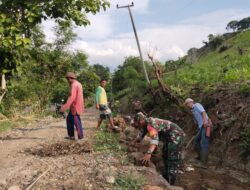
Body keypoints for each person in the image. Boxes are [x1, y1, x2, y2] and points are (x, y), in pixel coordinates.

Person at [131, 112, 185, 185]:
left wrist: (148, 153)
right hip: (169, 137)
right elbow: (140, 135)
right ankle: (166, 175)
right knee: (165, 154)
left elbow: (154, 140)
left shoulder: (150, 125)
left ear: (140, 121)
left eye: (137, 124)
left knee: (172, 158)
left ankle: (171, 183)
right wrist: (133, 143)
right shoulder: (145, 124)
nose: (137, 126)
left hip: (176, 135)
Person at [184, 98, 212, 169]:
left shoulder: (197, 105)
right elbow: (197, 121)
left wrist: (205, 121)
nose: (187, 106)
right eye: (186, 104)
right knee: (196, 140)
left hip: (206, 125)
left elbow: (203, 112)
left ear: (191, 102)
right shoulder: (193, 110)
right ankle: (200, 157)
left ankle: (204, 164)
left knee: (204, 143)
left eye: (187, 104)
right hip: (201, 127)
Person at [60, 72, 84, 140]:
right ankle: (71, 136)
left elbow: (72, 97)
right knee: (69, 119)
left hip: (75, 106)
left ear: (70, 78)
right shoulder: (78, 84)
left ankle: (80, 136)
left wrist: (64, 107)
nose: (67, 81)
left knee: (76, 121)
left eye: (67, 79)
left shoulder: (74, 85)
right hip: (76, 105)